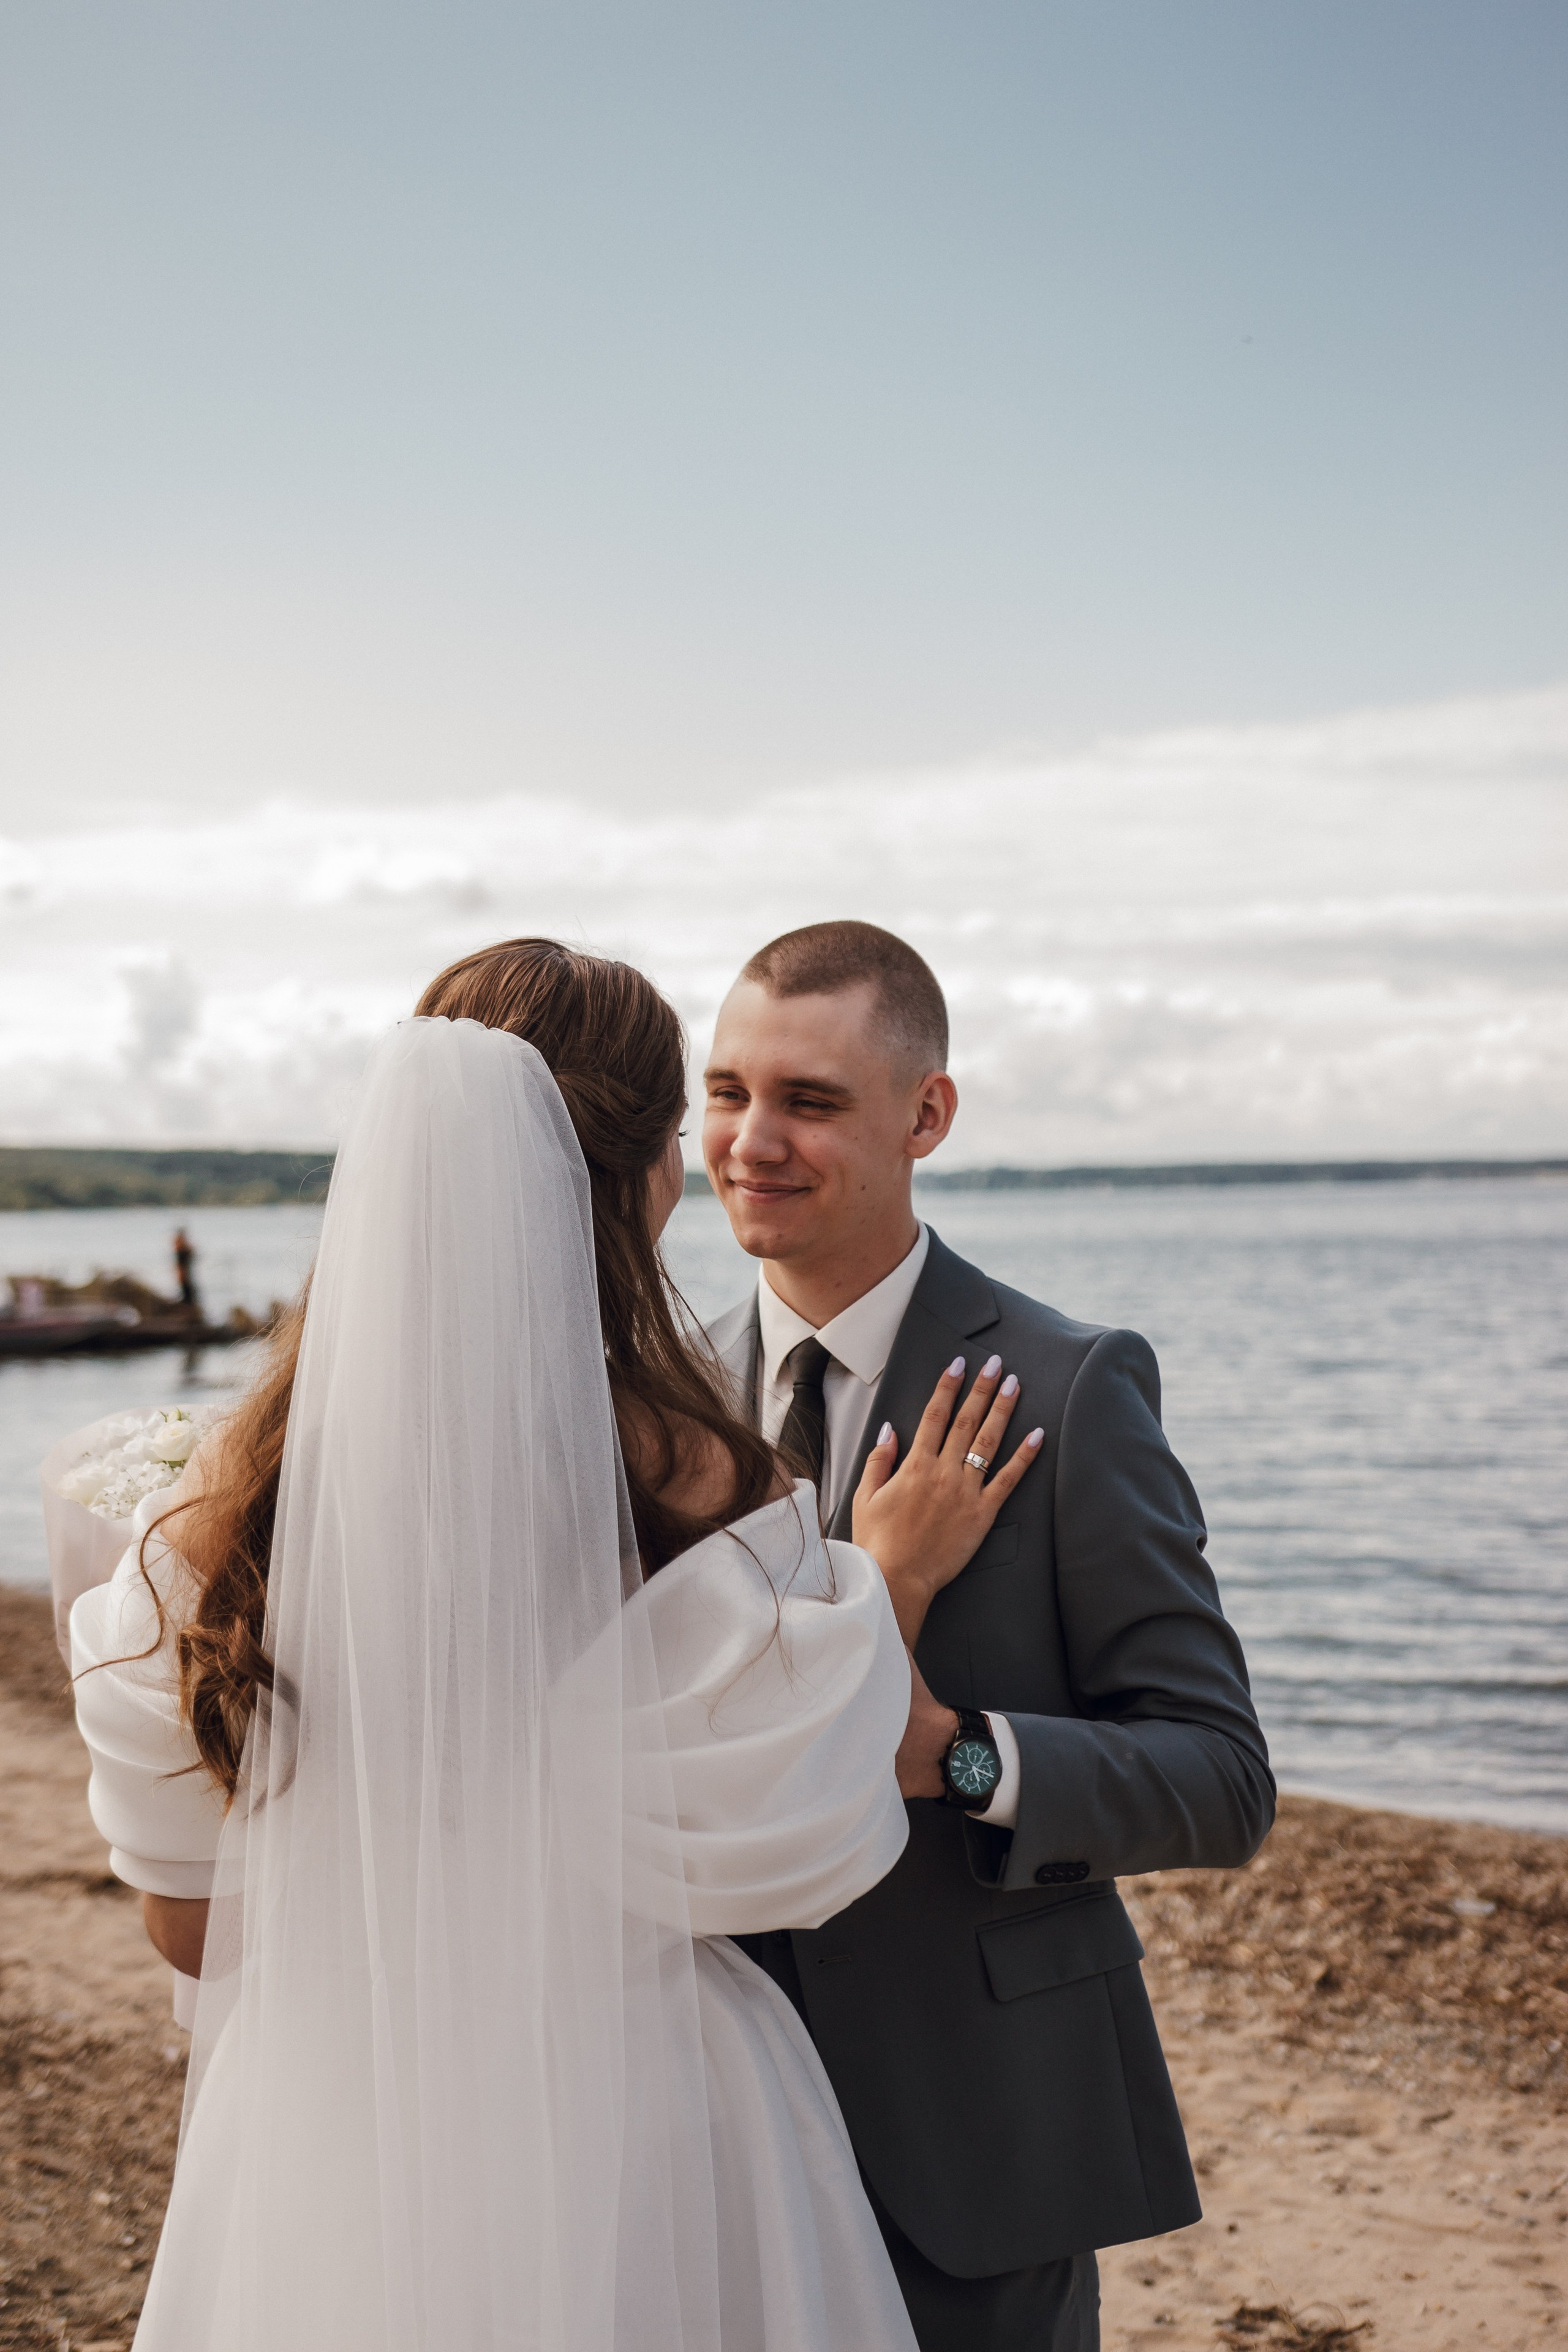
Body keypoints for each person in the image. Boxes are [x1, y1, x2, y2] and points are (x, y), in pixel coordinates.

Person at [68, 939, 1040, 2352]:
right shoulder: (708, 1481)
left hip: (332, 2122)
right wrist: (876, 1589)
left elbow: (191, 1929)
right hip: (640, 2109)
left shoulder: (206, 1532)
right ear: (644, 1172)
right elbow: (793, 1844)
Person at [703, 920, 1277, 2352]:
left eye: (809, 1102)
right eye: (726, 1092)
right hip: (698, 2115)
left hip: (976, 2136)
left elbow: (1218, 1777)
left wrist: (956, 1757)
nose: (750, 1141)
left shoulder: (1070, 1389)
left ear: (927, 1115)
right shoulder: (659, 1396)